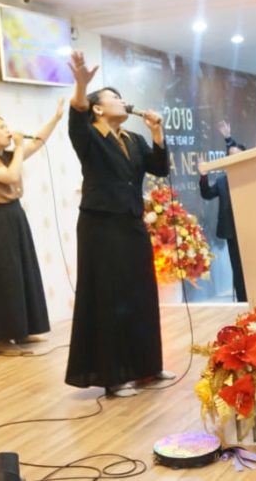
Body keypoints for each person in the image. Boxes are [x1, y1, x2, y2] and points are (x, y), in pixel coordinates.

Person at [64, 51, 174, 398]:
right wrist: (81, 85)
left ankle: (147, 367)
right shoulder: (89, 135)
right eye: (114, 97)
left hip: (131, 223)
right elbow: (76, 116)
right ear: (97, 109)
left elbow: (160, 168)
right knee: (110, 297)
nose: (122, 100)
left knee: (141, 294)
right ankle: (115, 376)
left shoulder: (133, 139)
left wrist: (157, 132)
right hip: (100, 226)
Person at [0, 99, 65, 350]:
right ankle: (2, 339)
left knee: (23, 271)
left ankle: (23, 331)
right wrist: (20, 146)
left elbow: (38, 142)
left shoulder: (7, 157)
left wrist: (55, 119)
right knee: (4, 275)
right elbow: (10, 176)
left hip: (15, 215)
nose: (8, 130)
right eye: (1, 127)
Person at [198, 121, 247, 301]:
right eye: (230, 156)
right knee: (238, 268)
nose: (233, 159)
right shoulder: (221, 181)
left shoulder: (253, 176)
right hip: (232, 231)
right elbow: (207, 194)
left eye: (238, 156)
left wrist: (228, 137)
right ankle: (242, 301)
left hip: (252, 228)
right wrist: (203, 176)